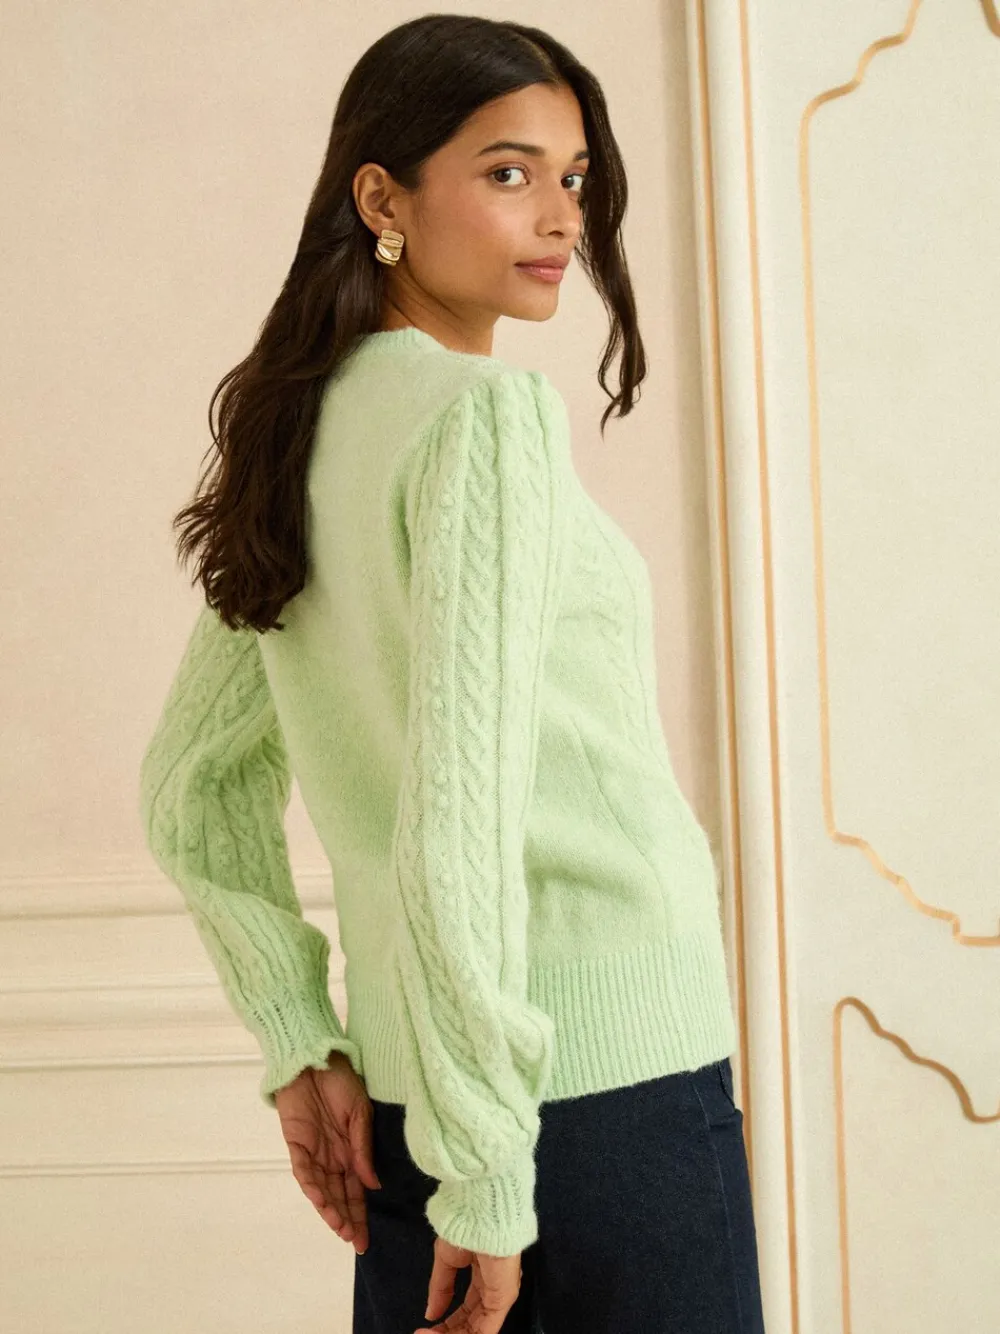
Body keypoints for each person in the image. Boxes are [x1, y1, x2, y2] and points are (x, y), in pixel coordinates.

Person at [138, 14, 765, 1334]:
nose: (560, 215)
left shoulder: (298, 430)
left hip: (421, 1094)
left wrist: (301, 1039)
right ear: (382, 199)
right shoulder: (482, 417)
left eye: (573, 176)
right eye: (507, 171)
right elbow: (459, 818)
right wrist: (486, 1167)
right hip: (595, 1089)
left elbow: (191, 788)